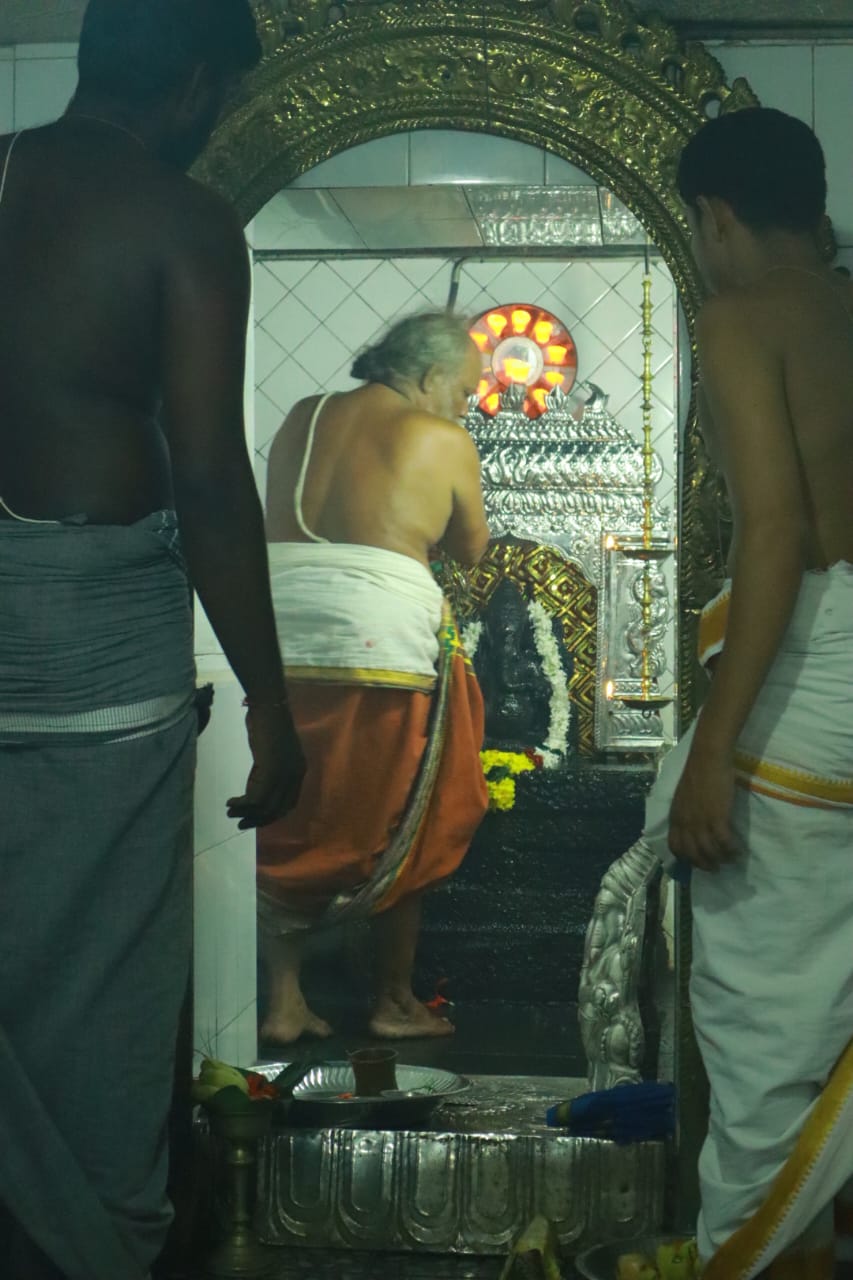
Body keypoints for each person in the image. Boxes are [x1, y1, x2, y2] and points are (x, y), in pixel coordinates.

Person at [0, 2, 305, 1278]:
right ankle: (90, 1248)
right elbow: (212, 475)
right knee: (103, 980)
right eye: (221, 101)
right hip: (97, 644)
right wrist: (271, 705)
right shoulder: (182, 220)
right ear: (189, 86)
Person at [641, 107, 853, 1279]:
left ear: (714, 217)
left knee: (770, 1047)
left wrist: (713, 748)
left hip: (806, 699)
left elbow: (773, 533)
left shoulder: (739, 318)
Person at [259, 311, 491, 1043]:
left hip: (275, 632)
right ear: (429, 376)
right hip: (377, 638)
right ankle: (393, 1001)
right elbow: (472, 549)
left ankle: (284, 1001)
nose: (467, 407)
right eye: (465, 390)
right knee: (407, 814)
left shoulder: (303, 416)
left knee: (287, 815)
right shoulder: (442, 438)